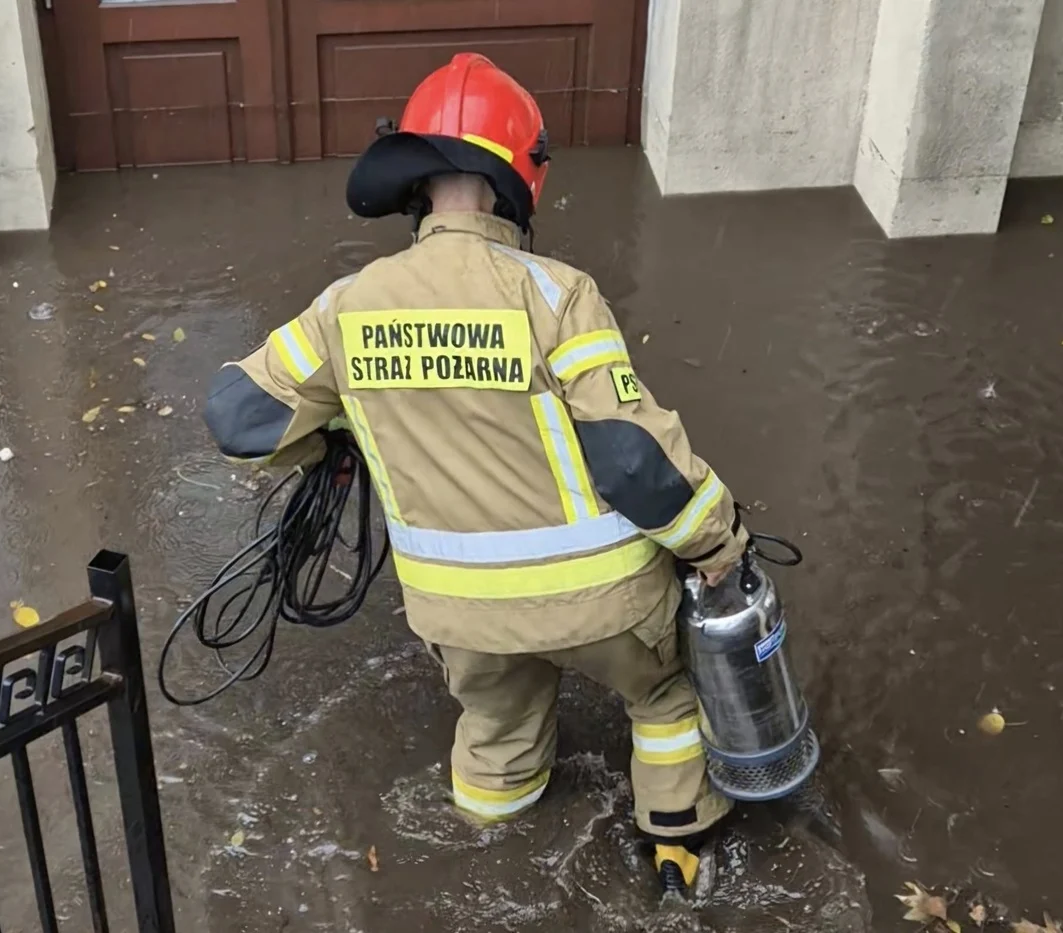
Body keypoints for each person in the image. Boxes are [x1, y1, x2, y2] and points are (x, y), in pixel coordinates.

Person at [203, 52, 750, 897]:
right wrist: (719, 544)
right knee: (670, 693)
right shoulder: (557, 293)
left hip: (456, 612)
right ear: (515, 179)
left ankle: (480, 862)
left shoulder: (347, 305)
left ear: (418, 183)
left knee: (495, 719)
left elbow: (238, 419)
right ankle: (680, 857)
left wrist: (335, 435)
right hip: (602, 602)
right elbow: (634, 457)